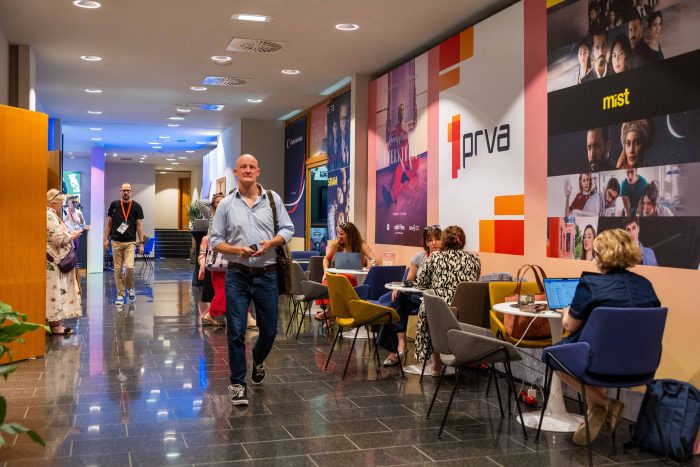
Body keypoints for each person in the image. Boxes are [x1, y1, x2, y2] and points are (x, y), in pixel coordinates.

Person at [558, 228, 660, 445]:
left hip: (599, 363)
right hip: (642, 366)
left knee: (555, 358)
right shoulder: (646, 285)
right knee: (596, 350)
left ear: (599, 255)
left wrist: (566, 311)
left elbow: (570, 325)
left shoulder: (591, 284)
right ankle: (593, 412)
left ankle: (605, 404)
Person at [210, 154, 294, 406]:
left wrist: (271, 242)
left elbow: (287, 229)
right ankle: (238, 383)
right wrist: (237, 250)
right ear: (236, 172)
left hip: (267, 274)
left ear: (258, 171)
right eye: (242, 167)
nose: (247, 170)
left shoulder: (272, 199)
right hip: (237, 275)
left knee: (269, 331)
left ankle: (258, 358)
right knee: (236, 331)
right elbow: (215, 240)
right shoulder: (226, 204)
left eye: (251, 167)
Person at [414, 225, 481, 375]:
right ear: (463, 241)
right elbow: (475, 281)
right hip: (466, 310)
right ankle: (465, 360)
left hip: (440, 309)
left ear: (444, 241)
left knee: (429, 309)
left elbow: (421, 283)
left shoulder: (435, 258)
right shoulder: (474, 259)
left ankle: (437, 365)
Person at [381, 225, 442, 367]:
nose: (434, 243)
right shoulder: (419, 257)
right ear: (426, 243)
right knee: (397, 300)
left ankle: (394, 352)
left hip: (434, 298)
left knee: (394, 306)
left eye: (437, 239)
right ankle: (401, 343)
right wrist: (399, 288)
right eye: (430, 240)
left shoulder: (446, 258)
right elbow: (408, 281)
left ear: (443, 240)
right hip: (417, 296)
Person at [317, 221, 377, 324]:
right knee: (329, 281)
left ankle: (332, 313)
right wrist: (325, 272)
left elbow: (374, 260)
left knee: (339, 282)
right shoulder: (338, 245)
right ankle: (332, 312)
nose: (339, 236)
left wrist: (368, 267)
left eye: (341, 234)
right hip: (339, 277)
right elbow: (326, 259)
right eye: (338, 233)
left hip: (354, 278)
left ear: (350, 235)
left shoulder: (360, 245)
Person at [46, 189, 82, 335]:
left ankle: (56, 323)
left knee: (56, 290)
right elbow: (59, 238)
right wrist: (72, 235)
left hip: (56, 259)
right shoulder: (48, 216)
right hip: (53, 260)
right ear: (52, 203)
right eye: (60, 203)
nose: (62, 206)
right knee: (54, 291)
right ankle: (55, 325)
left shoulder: (52, 215)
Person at [105, 183, 145, 306]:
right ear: (120, 191)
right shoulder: (114, 205)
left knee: (129, 267)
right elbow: (109, 224)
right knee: (118, 270)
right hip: (116, 242)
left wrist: (141, 243)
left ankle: (131, 288)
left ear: (131, 192)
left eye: (128, 190)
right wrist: (105, 239)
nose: (126, 192)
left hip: (130, 242)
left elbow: (139, 225)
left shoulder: (137, 206)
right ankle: (120, 294)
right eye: (124, 190)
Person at [381, 103, 419, 207]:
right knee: (397, 175)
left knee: (417, 161)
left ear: (405, 112)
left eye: (403, 110)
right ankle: (391, 197)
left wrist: (409, 160)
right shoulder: (397, 127)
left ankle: (406, 175)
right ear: (399, 113)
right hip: (401, 158)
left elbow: (408, 143)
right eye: (401, 111)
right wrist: (401, 163)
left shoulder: (406, 125)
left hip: (407, 156)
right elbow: (398, 146)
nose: (402, 112)